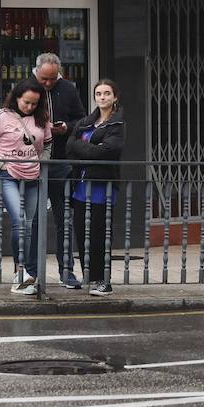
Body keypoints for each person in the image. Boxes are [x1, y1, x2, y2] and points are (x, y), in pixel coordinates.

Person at [0, 78, 50, 295]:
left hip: (33, 176)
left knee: (29, 224)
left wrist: (42, 163)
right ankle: (20, 272)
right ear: (16, 98)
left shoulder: (42, 119)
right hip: (6, 174)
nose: (30, 107)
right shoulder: (2, 116)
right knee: (19, 221)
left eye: (34, 103)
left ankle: (28, 275)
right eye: (26, 102)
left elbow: (48, 144)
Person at [33, 53, 87, 290]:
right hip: (32, 165)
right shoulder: (27, 87)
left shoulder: (68, 90)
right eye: (44, 78)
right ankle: (30, 272)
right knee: (32, 220)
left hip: (61, 163)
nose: (47, 83)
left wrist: (67, 127)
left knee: (63, 220)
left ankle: (67, 271)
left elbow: (82, 120)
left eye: (52, 79)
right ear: (36, 72)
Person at [66, 79, 125, 297]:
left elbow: (109, 150)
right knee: (81, 232)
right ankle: (89, 275)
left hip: (102, 186)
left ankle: (103, 281)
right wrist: (90, 149)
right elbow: (69, 146)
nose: (102, 97)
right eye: (98, 94)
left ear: (114, 97)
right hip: (81, 185)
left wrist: (85, 150)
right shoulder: (85, 121)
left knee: (100, 233)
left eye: (107, 93)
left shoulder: (117, 124)